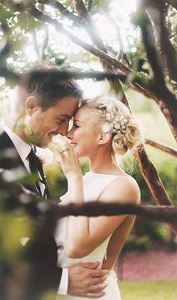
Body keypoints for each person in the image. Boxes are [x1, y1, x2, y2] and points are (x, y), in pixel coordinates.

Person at [0, 75, 108, 300]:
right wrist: (64, 280)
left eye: (70, 122)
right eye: (61, 118)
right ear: (31, 107)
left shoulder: (28, 154)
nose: (64, 130)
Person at [53, 95, 143, 300]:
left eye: (77, 125)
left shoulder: (123, 187)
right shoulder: (85, 181)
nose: (68, 133)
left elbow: (76, 247)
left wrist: (73, 177)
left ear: (103, 137)